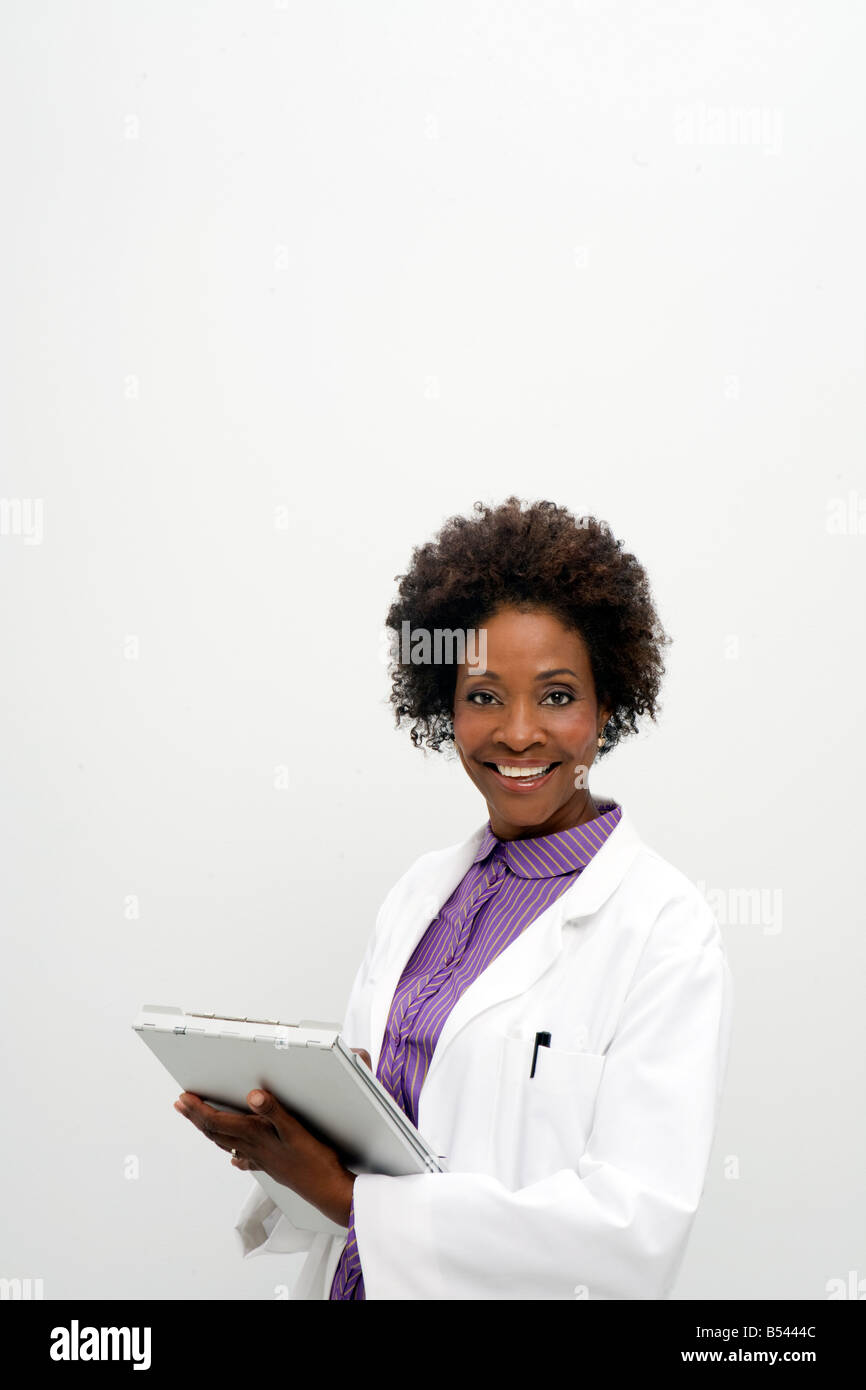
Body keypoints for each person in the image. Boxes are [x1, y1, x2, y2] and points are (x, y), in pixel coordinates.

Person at [175, 497, 733, 1300]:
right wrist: (291, 1142)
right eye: (482, 696)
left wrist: (349, 1197)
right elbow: (381, 1163)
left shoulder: (664, 929)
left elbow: (634, 1229)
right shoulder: (420, 896)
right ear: (445, 708)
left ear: (607, 710)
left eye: (556, 695)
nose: (516, 733)